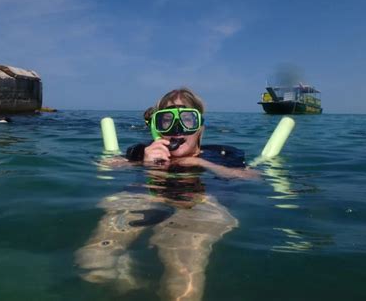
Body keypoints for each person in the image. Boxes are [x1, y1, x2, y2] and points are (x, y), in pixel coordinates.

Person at [75, 88, 259, 301]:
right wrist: (143, 161)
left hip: (198, 203)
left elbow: (252, 177)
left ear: (200, 128)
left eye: (188, 119)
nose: (177, 128)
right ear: (156, 127)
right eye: (166, 120)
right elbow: (105, 166)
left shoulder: (220, 154)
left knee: (180, 287)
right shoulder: (141, 152)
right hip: (143, 196)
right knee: (93, 264)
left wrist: (200, 162)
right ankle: (126, 276)